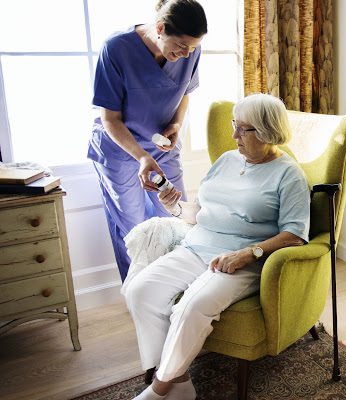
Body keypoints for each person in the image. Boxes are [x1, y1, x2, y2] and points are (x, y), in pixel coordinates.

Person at [125, 93, 311, 400]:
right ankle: (180, 383)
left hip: (239, 260)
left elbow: (295, 235)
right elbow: (199, 214)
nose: (234, 135)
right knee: (140, 291)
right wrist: (173, 204)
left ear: (266, 131)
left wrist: (248, 254)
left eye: (243, 129)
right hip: (196, 246)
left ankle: (158, 391)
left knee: (191, 306)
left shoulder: (288, 175)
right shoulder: (226, 160)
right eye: (234, 125)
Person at [87, 0, 208, 282]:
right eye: (181, 46)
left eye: (192, 48)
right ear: (160, 28)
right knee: (133, 226)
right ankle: (141, 295)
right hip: (120, 148)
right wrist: (141, 156)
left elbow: (185, 91)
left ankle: (178, 289)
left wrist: (176, 123)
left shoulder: (190, 50)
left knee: (178, 218)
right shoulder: (116, 49)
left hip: (162, 145)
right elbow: (110, 119)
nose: (186, 53)